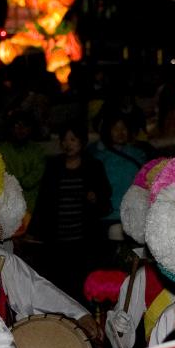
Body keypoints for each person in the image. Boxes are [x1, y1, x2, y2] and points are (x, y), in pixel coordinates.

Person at [30, 123, 112, 298]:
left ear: (82, 142)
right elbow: (43, 200)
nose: (68, 144)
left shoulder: (93, 165)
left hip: (84, 240)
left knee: (82, 285)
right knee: (58, 285)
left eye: (72, 139)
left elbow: (105, 195)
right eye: (64, 140)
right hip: (57, 239)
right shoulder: (53, 166)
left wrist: (95, 197)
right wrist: (34, 231)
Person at [90, 108, 149, 238]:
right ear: (107, 131)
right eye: (115, 128)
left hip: (136, 215)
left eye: (123, 128)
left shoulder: (139, 154)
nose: (120, 132)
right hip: (110, 216)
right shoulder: (99, 158)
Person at [0, 109, 47, 217]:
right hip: (8, 208)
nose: (21, 129)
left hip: (32, 208)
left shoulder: (38, 151)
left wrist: (17, 182)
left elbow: (31, 180)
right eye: (17, 125)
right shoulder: (1, 150)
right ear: (10, 127)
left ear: (32, 128)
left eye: (26, 125)